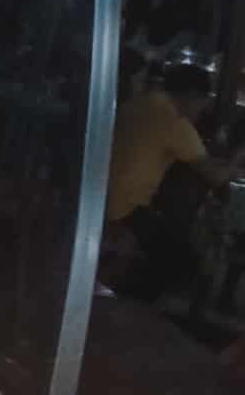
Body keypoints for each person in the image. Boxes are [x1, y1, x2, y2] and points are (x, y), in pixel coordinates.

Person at [103, 64, 245, 300]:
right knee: (182, 261)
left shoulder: (138, 104)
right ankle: (134, 305)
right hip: (123, 207)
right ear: (190, 95)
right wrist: (238, 156)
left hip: (98, 194)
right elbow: (216, 176)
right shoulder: (174, 122)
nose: (202, 108)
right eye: (202, 101)